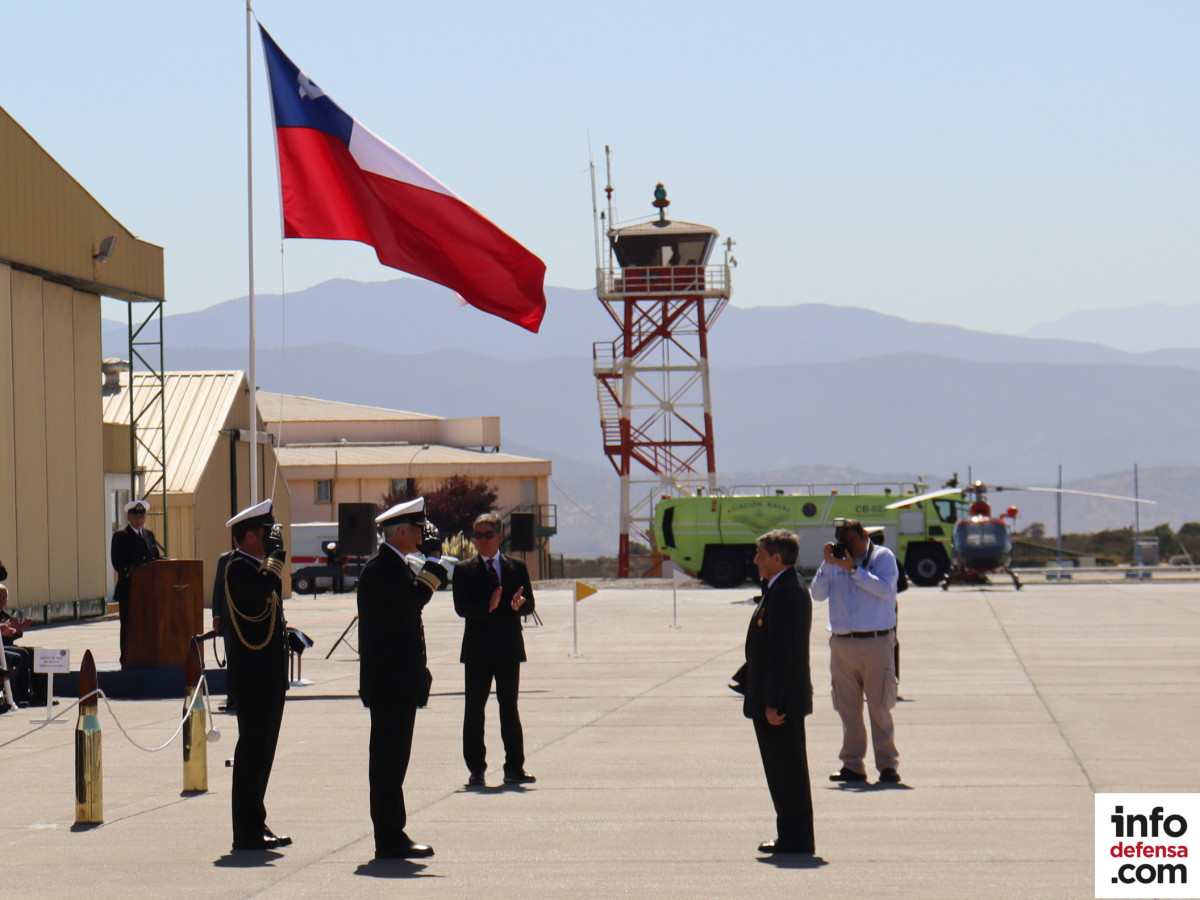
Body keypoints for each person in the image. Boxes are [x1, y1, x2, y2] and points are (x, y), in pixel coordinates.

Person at [357, 497, 447, 860]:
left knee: (394, 761)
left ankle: (393, 832)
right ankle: (389, 837)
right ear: (403, 532)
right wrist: (435, 562)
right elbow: (414, 601)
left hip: (397, 680)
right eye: (418, 530)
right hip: (389, 682)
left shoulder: (393, 566)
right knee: (388, 763)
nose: (422, 537)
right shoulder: (383, 569)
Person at [222, 499, 292, 852]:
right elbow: (261, 589)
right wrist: (276, 557)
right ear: (248, 535)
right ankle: (246, 830)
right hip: (253, 678)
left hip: (269, 675)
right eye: (266, 532)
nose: (272, 538)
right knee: (251, 753)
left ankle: (256, 821)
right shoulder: (237, 567)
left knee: (263, 754)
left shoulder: (258, 566)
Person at [811, 517, 901, 784]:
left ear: (863, 534)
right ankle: (852, 765)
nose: (846, 547)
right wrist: (829, 565)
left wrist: (853, 570)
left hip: (875, 641)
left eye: (850, 541)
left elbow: (884, 590)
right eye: (841, 542)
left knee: (880, 705)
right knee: (847, 707)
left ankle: (887, 765)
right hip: (842, 642)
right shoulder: (836, 561)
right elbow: (817, 594)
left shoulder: (882, 557)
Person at [452, 513, 536, 787]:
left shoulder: (516, 566)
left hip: (508, 647)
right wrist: (488, 606)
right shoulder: (464, 570)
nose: (482, 540)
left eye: (488, 535)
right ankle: (476, 768)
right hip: (477, 649)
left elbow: (529, 603)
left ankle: (514, 767)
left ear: (499, 537)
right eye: (477, 536)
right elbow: (461, 607)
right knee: (474, 710)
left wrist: (517, 606)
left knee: (509, 708)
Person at [744, 529, 814, 855]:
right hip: (778, 699)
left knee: (787, 773)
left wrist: (772, 702)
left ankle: (796, 838)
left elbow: (782, 653)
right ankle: (792, 834)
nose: (755, 559)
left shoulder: (786, 591)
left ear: (777, 558)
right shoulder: (779, 587)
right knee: (783, 772)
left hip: (780, 705)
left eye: (760, 554)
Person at [110, 499, 161, 665]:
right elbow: (118, 562)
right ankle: (127, 658)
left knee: (148, 624)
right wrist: (133, 570)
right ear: (129, 517)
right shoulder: (121, 536)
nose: (139, 519)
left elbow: (156, 558)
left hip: (149, 590)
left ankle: (147, 655)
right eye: (136, 515)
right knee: (128, 625)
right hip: (130, 589)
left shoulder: (149, 535)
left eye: (142, 515)